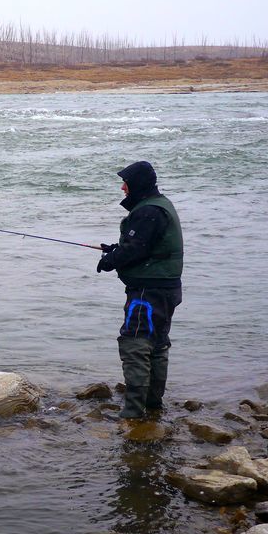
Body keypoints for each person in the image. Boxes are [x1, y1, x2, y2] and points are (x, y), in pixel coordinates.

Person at [95, 161, 184, 422]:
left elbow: (135, 248)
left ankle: (133, 412)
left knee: (135, 344)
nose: (123, 188)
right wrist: (115, 249)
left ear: (139, 185)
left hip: (148, 293)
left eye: (127, 183)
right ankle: (153, 406)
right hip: (166, 290)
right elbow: (144, 245)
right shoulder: (159, 205)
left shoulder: (149, 212)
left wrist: (110, 260)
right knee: (156, 345)